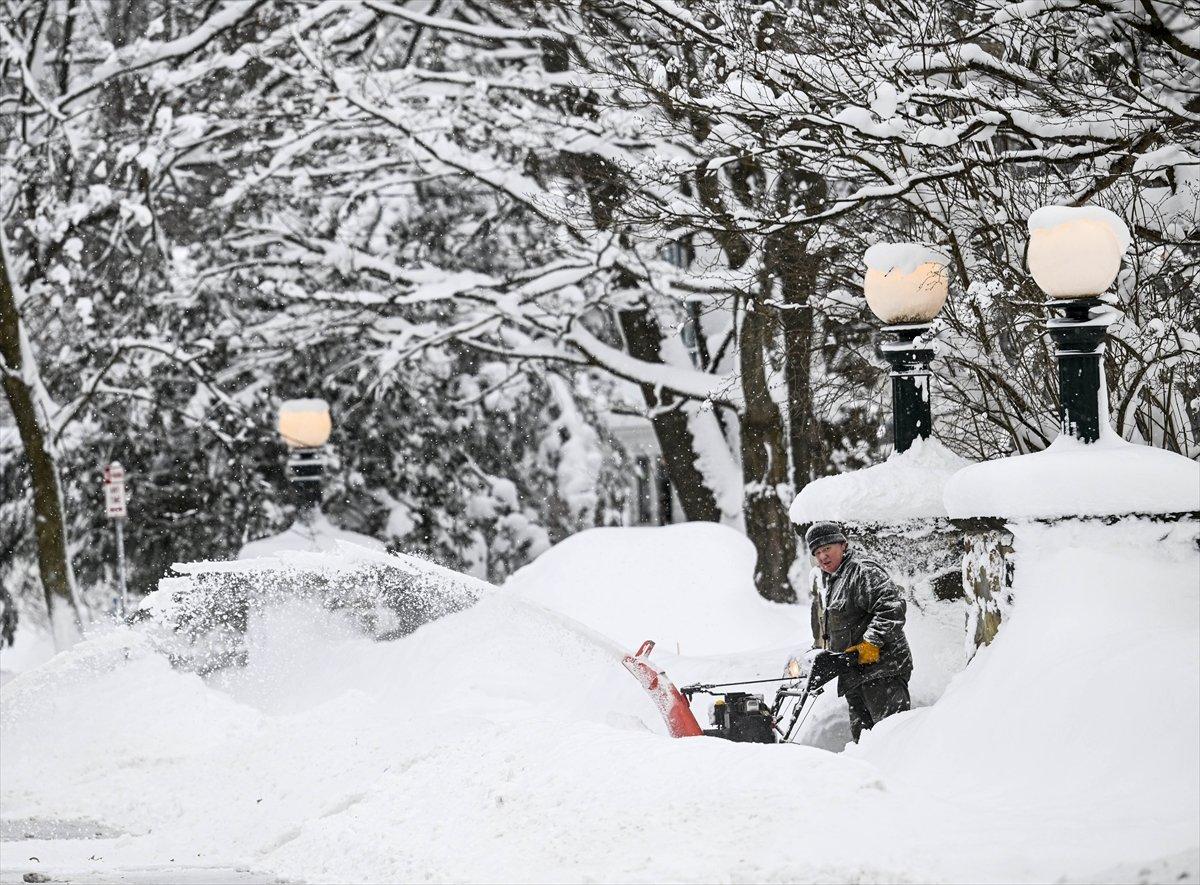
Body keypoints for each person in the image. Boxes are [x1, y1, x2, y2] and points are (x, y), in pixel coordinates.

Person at [801, 521, 913, 742]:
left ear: (843, 545)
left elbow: (893, 608)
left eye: (827, 549)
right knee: (865, 744)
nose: (822, 557)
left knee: (893, 739)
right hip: (854, 676)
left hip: (883, 672)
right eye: (817, 553)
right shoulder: (833, 581)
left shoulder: (863, 571)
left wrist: (871, 642)